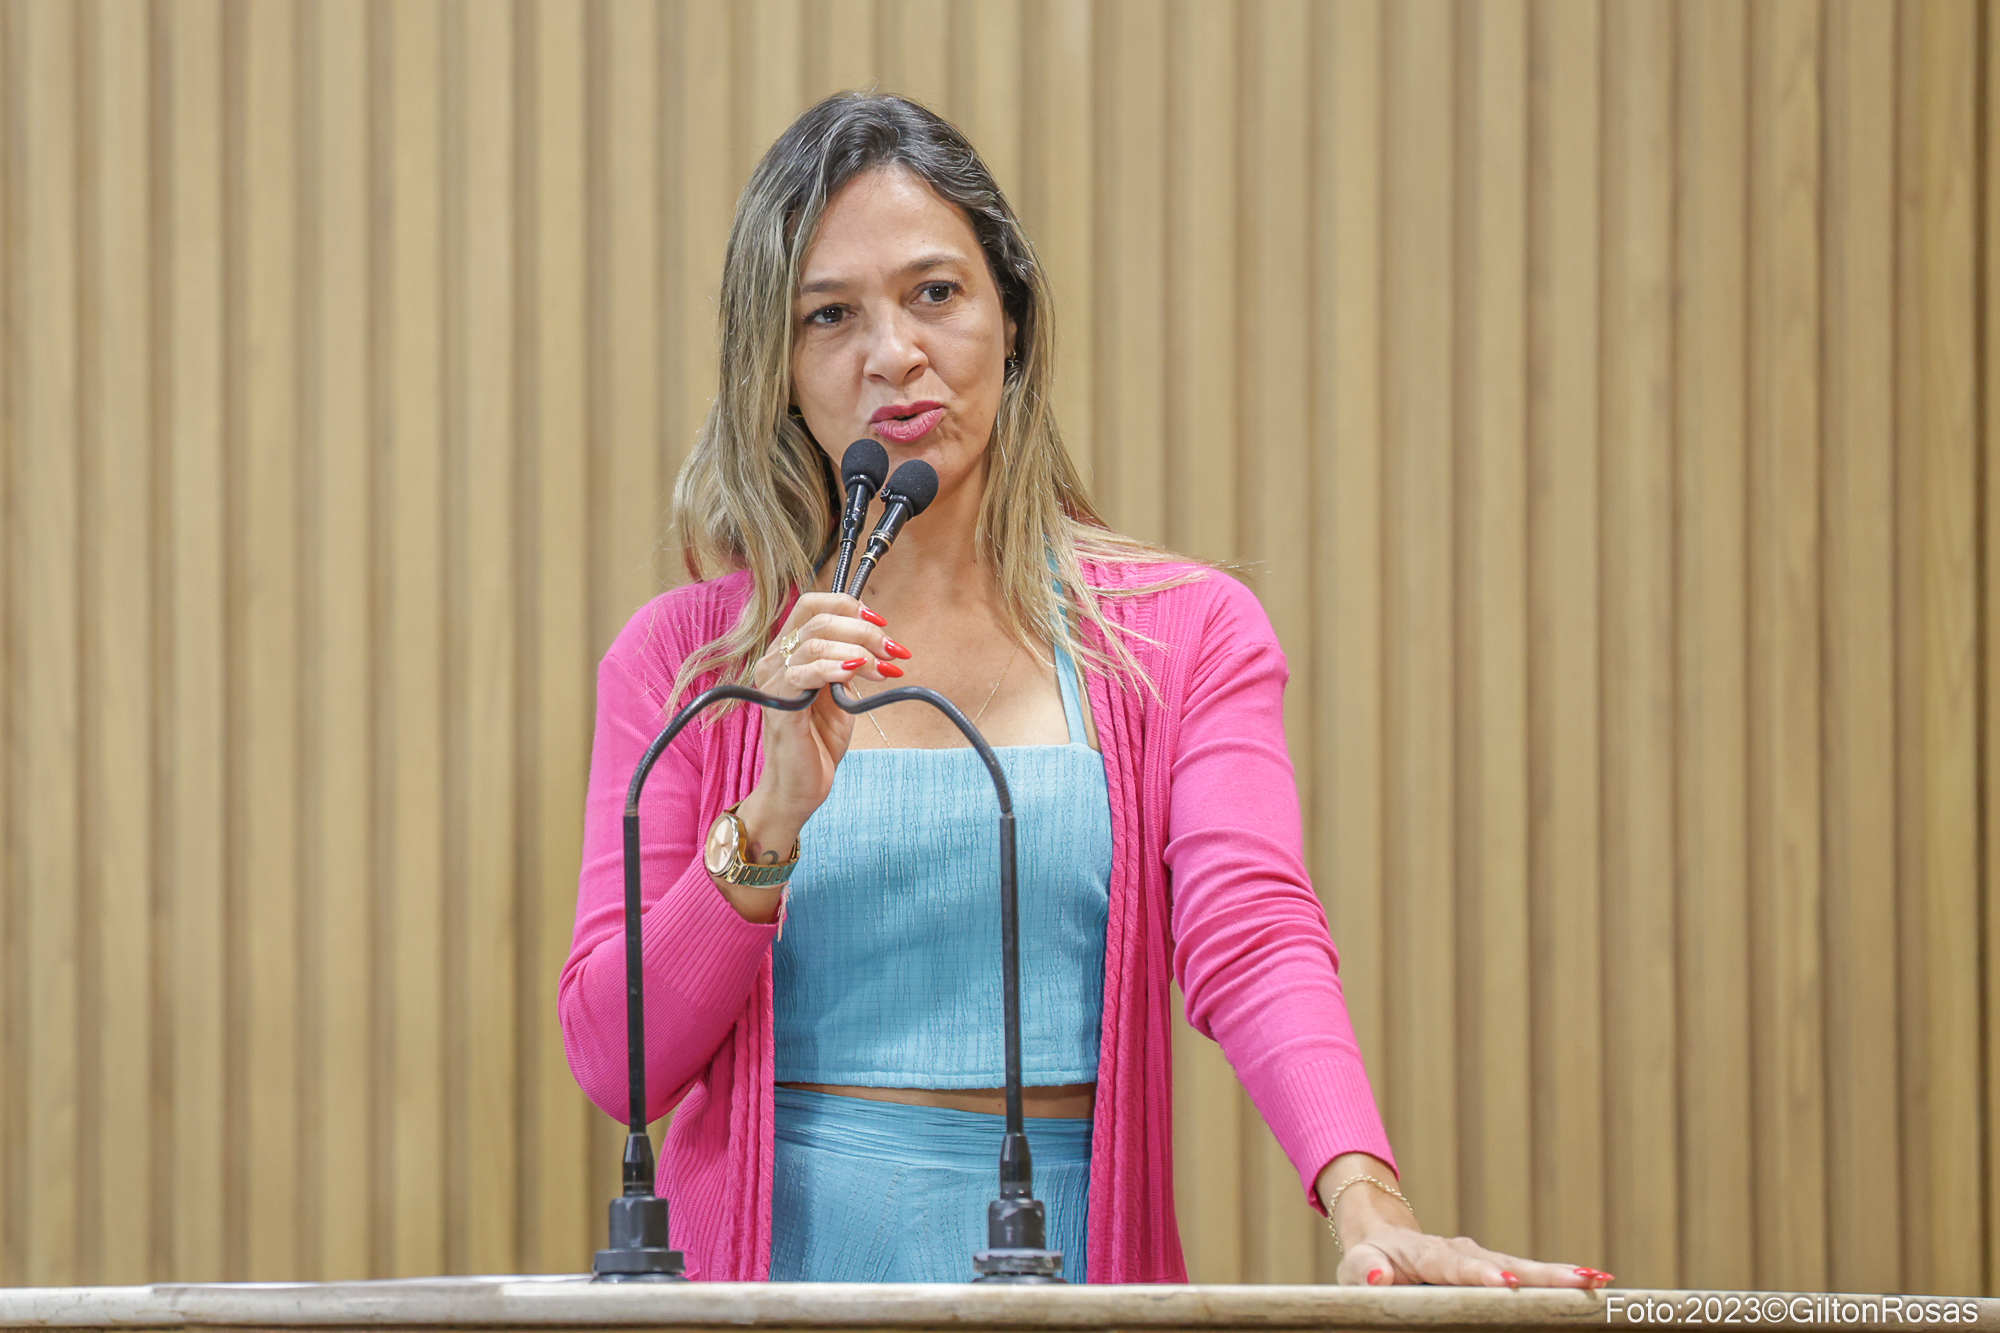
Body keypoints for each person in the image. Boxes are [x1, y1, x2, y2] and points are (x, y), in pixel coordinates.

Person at [560, 90, 1608, 1289]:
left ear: (1010, 317)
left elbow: (1253, 935)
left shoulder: (1181, 635)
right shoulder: (687, 666)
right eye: (828, 314)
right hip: (765, 1279)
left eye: (934, 292)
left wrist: (1365, 1200)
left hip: (1060, 1264)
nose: (891, 352)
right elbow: (615, 1061)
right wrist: (765, 823)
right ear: (778, 368)